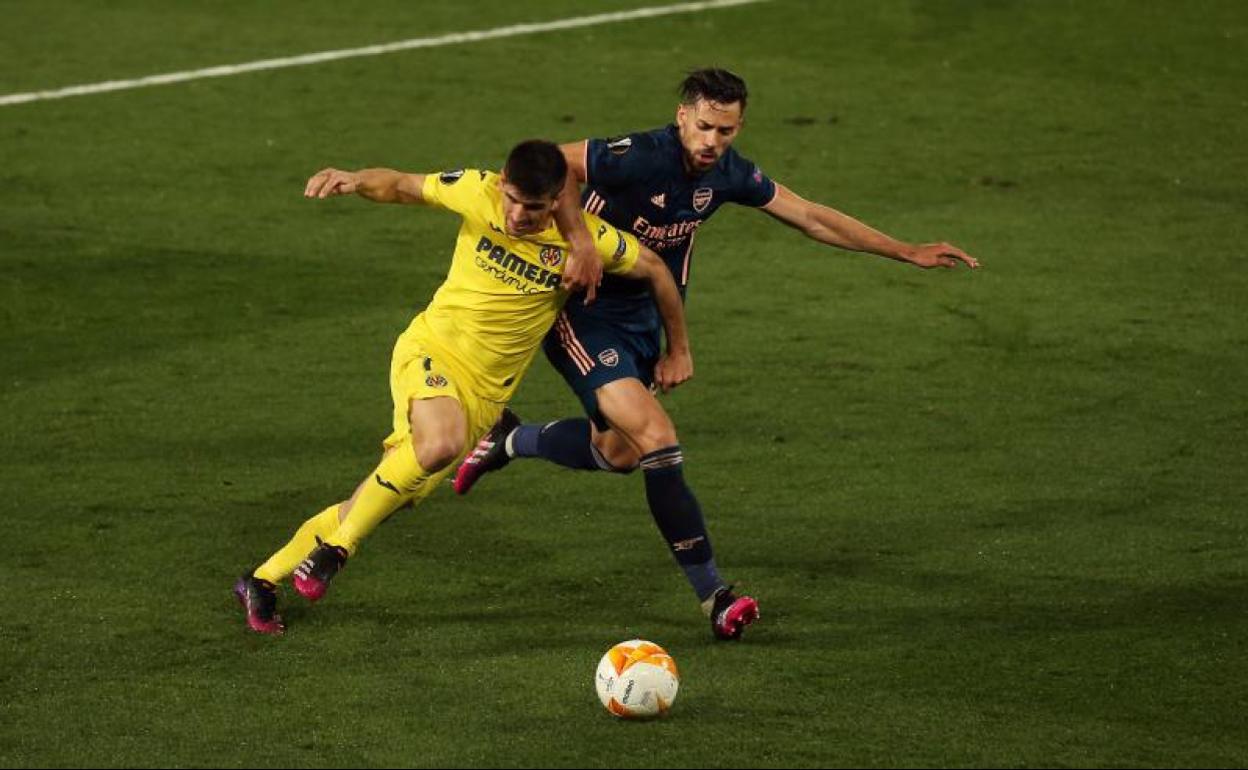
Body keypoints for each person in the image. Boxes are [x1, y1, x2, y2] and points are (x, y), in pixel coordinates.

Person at [454, 69, 980, 641]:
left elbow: (809, 215)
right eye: (703, 126)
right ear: (682, 116)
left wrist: (905, 250)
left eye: (724, 131)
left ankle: (510, 439)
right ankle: (715, 598)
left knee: (619, 452)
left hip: (645, 316)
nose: (711, 141)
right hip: (585, 311)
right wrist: (580, 241)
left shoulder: (727, 175)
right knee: (657, 438)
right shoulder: (638, 155)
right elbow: (554, 160)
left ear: (738, 128)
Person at [233, 140, 692, 635]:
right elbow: (405, 186)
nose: (516, 215)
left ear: (556, 200)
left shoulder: (590, 241)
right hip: (432, 351)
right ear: (502, 183)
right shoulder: (477, 190)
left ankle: (261, 580)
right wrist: (356, 178)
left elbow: (655, 269)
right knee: (439, 444)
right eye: (511, 199)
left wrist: (679, 348)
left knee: (377, 498)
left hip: (485, 398)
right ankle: (338, 551)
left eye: (533, 207)